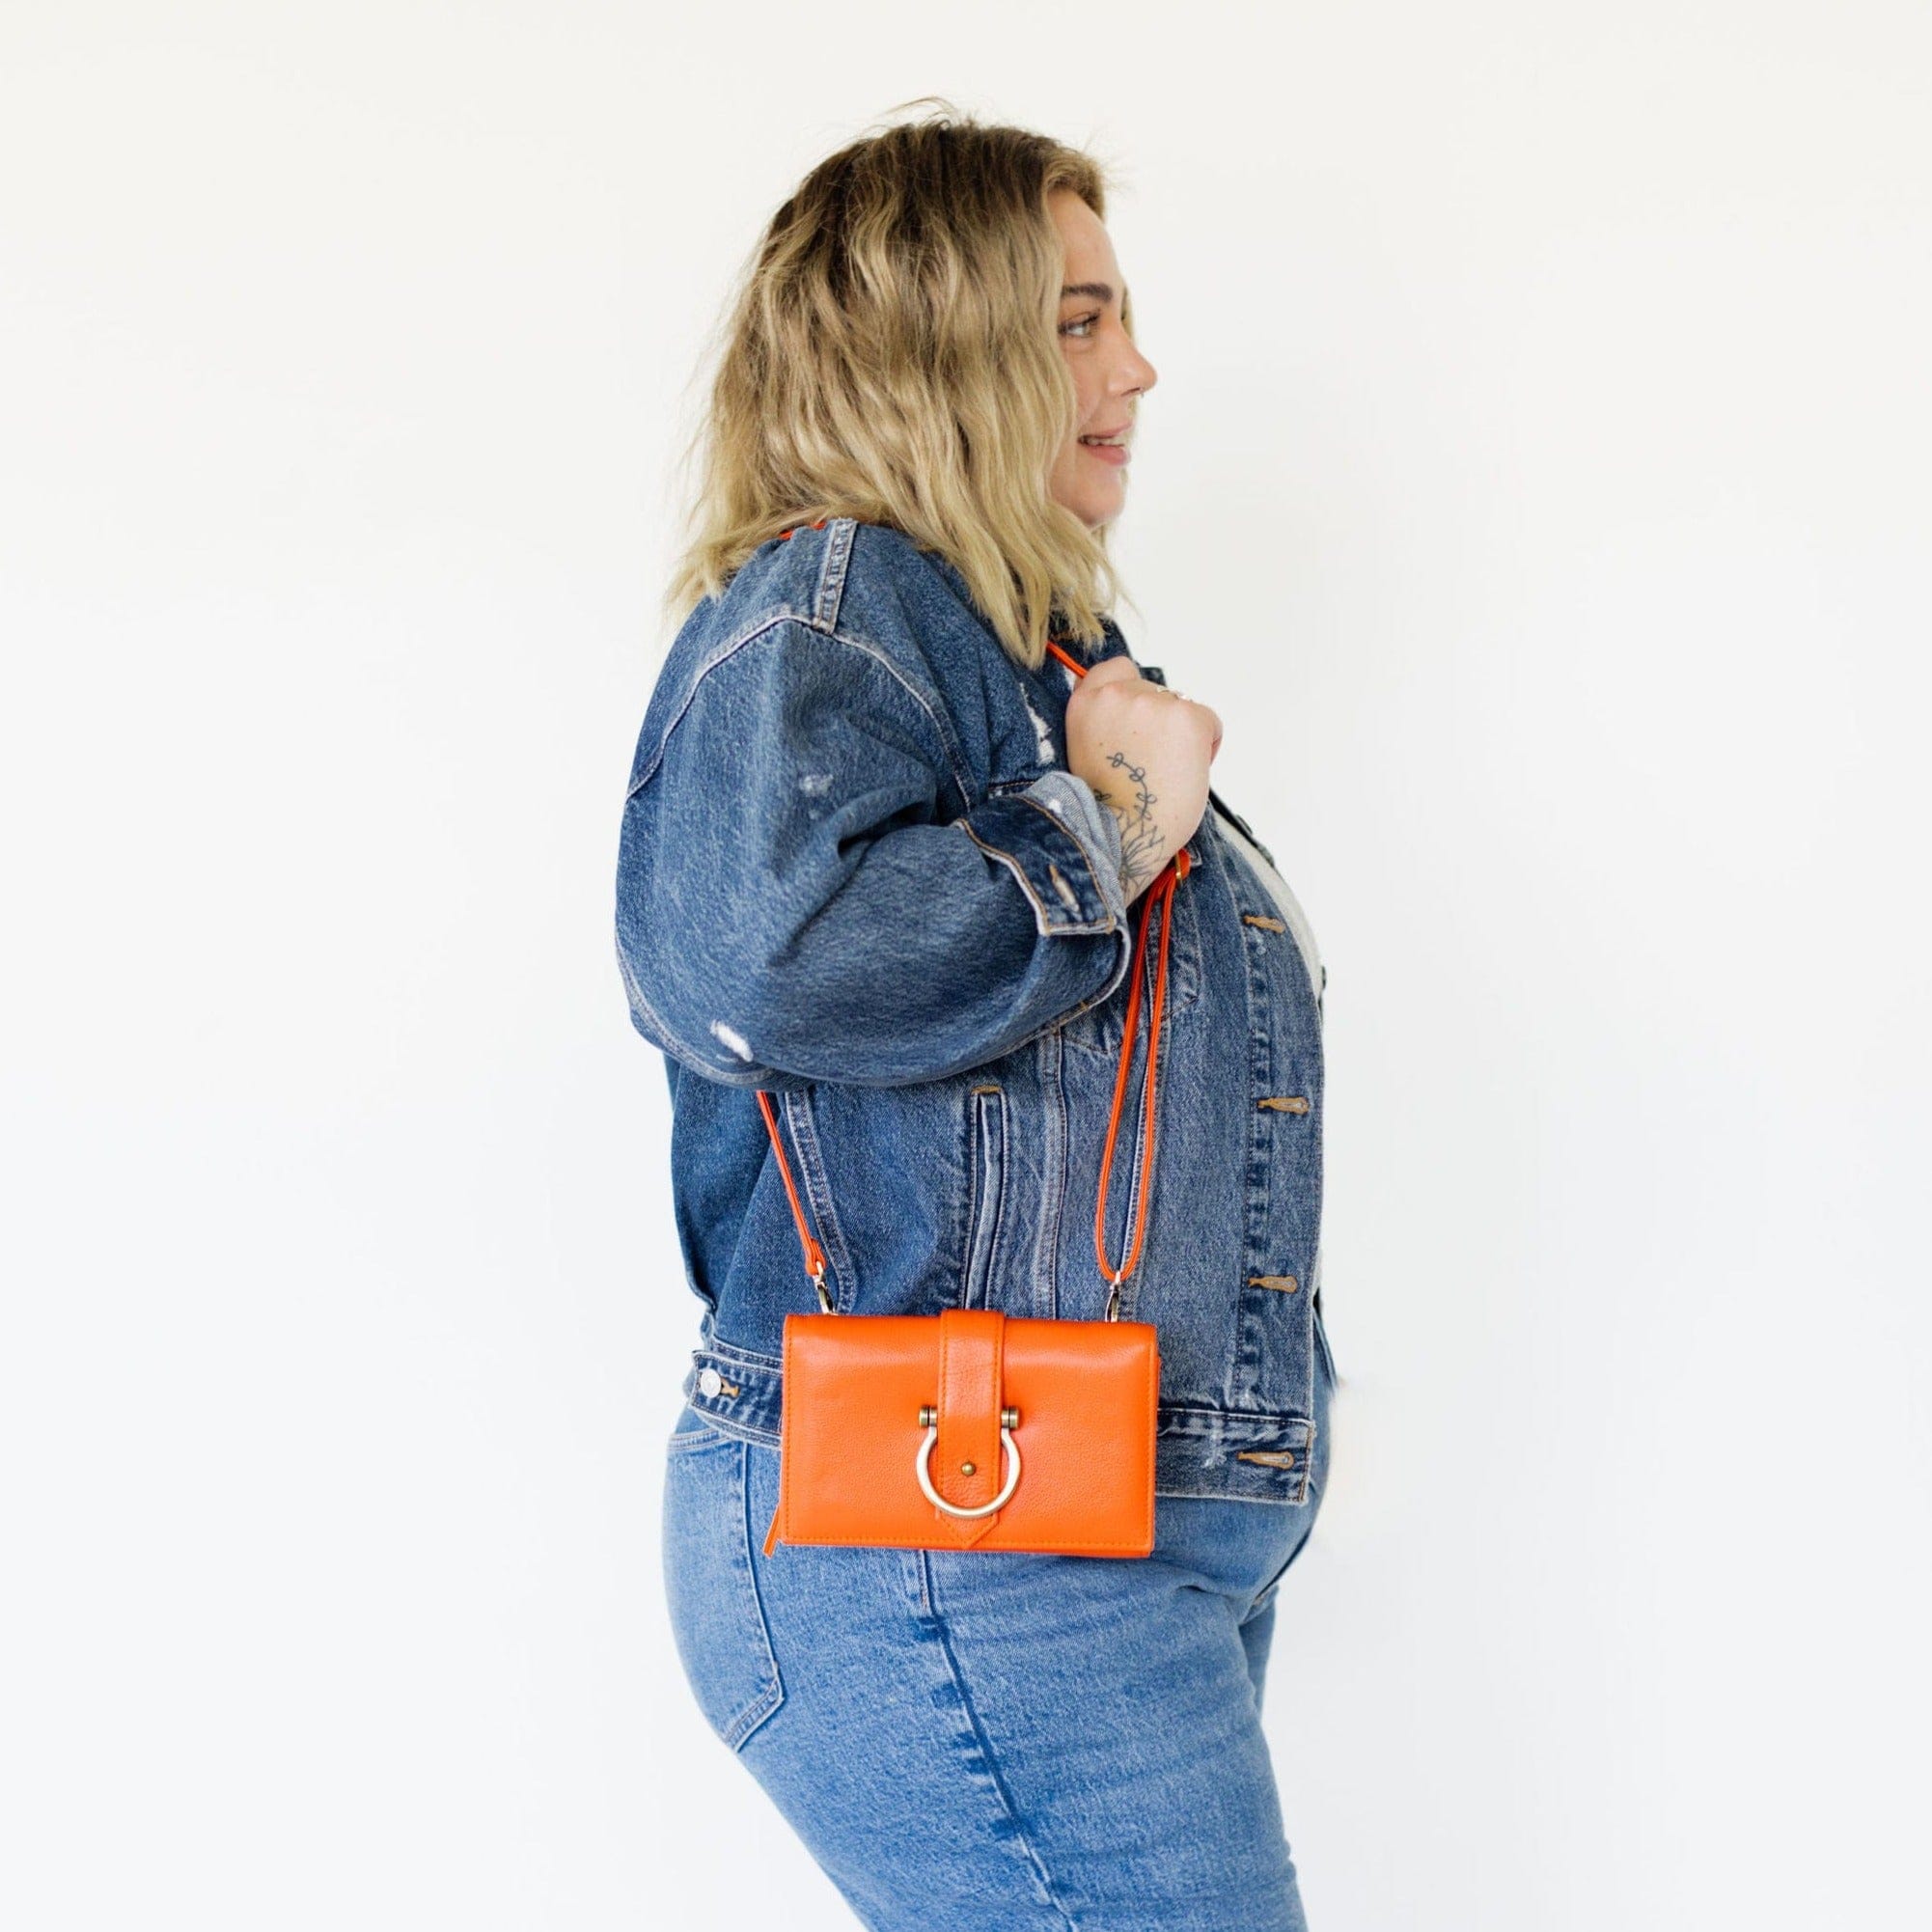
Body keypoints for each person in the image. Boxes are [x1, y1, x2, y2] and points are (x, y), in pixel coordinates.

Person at [614, 100, 1339, 1932]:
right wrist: (1103, 818)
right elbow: (759, 960)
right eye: (1077, 321)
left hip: (1077, 1524)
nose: (1136, 368)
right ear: (934, 354)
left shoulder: (1028, 658)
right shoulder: (836, 607)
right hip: (961, 1529)